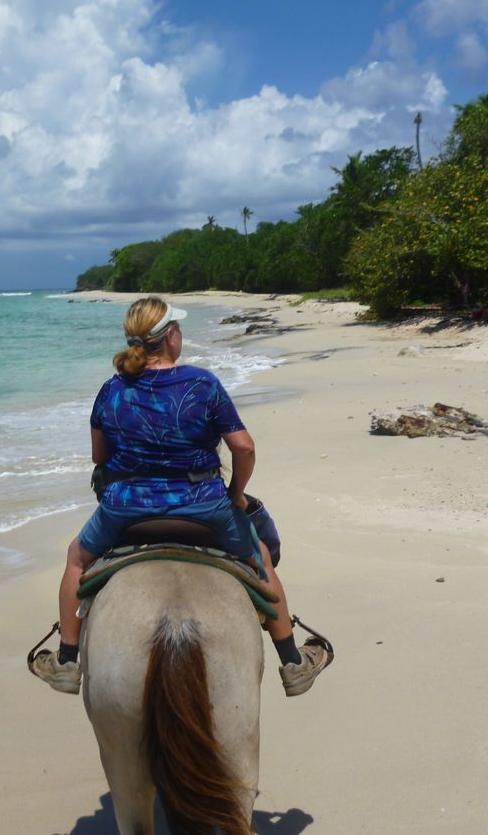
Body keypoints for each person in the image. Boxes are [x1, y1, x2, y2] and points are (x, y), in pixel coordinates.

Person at [32, 296, 331, 697]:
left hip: (126, 509)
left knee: (76, 558)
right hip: (204, 507)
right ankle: (293, 662)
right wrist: (236, 494)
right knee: (258, 554)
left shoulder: (112, 390)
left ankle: (68, 660)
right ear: (171, 336)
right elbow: (243, 447)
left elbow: (99, 458)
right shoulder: (202, 384)